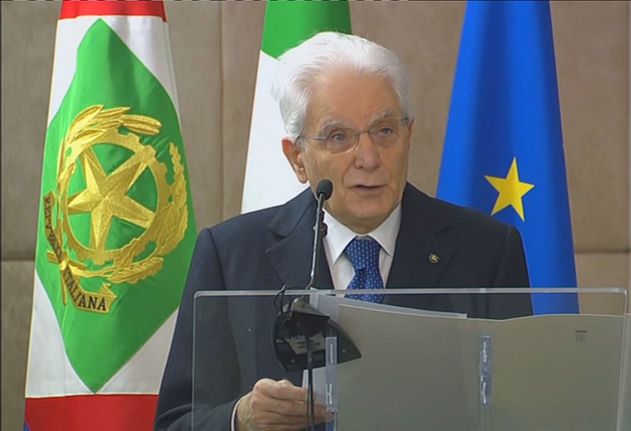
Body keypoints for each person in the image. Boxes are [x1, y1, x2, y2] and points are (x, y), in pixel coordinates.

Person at [155, 31, 531, 431]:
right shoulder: (230, 255)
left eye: (384, 131)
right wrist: (240, 419)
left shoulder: (487, 250)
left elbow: (523, 411)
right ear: (297, 158)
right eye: (338, 137)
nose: (368, 158)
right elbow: (178, 422)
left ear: (408, 136)